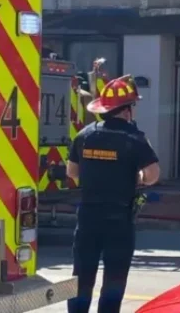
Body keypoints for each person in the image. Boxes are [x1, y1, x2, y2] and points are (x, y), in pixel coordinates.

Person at [66, 75, 160, 313]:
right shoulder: (134, 138)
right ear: (126, 111)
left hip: (87, 218)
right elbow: (152, 175)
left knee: (81, 277)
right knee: (114, 279)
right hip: (119, 220)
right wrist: (136, 177)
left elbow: (72, 172)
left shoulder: (84, 135)